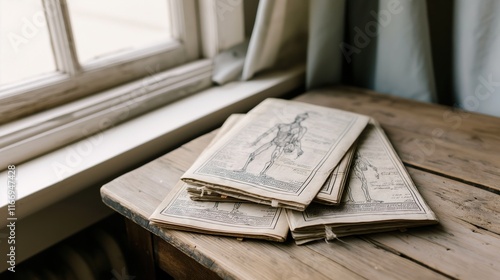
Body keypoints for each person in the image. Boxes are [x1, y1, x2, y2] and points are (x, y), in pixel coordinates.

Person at [239, 113, 308, 176]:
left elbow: (297, 140)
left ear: (303, 120)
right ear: (296, 117)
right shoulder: (281, 125)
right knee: (254, 153)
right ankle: (243, 169)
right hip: (273, 142)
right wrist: (255, 141)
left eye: (301, 118)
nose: (298, 119)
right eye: (298, 117)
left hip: (281, 146)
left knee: (272, 160)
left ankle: (262, 173)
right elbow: (267, 133)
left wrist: (299, 149)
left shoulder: (301, 129)